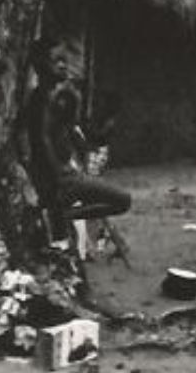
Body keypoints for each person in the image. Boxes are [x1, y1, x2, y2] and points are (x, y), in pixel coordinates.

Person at [20, 43, 132, 237]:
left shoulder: (59, 99)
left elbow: (78, 134)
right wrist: (57, 179)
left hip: (66, 176)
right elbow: (42, 141)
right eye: (56, 61)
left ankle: (64, 216)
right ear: (41, 66)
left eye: (64, 61)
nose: (63, 66)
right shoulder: (41, 101)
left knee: (121, 201)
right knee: (122, 200)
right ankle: (64, 216)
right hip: (62, 180)